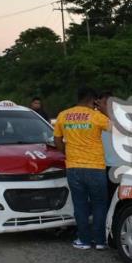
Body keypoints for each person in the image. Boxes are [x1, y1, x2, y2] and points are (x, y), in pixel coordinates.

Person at [53, 87, 111, 250]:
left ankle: (84, 240)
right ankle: (100, 241)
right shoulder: (96, 116)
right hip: (95, 167)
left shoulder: (63, 115)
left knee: (80, 205)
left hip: (73, 167)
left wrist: (66, 152)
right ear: (93, 100)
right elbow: (117, 127)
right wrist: (105, 109)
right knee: (99, 204)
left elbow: (57, 139)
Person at [96, 91, 121, 201]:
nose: (98, 106)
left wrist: (106, 110)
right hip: (102, 165)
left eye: (100, 103)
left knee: (114, 198)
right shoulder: (97, 117)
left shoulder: (121, 116)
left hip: (116, 165)